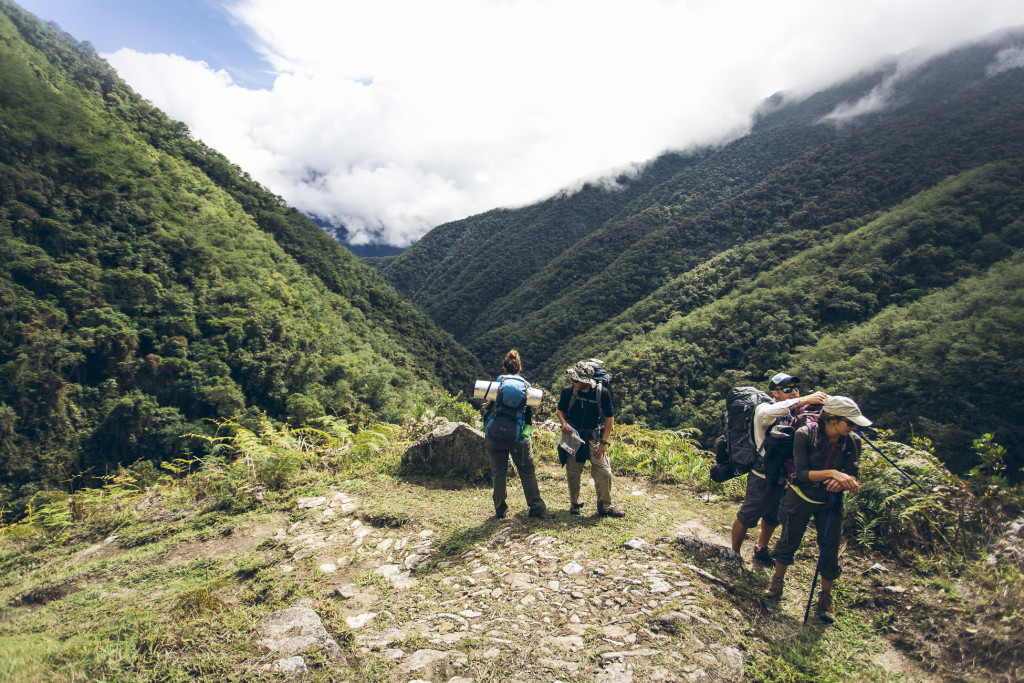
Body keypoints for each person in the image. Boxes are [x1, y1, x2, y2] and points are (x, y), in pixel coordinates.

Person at [764, 395, 871, 624]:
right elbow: (802, 473)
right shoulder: (805, 434)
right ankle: (777, 581)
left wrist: (844, 481)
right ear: (832, 418)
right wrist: (833, 474)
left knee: (830, 545)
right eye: (850, 423)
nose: (853, 428)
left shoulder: (852, 441)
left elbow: (853, 474)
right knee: (788, 539)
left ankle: (825, 596)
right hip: (800, 495)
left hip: (831, 500)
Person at [731, 373, 827, 563]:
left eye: (796, 388)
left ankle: (761, 548)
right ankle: (733, 554)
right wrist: (804, 399)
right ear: (775, 393)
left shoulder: (796, 412)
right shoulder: (765, 409)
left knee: (773, 516)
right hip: (763, 473)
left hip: (786, 474)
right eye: (787, 389)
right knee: (748, 515)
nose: (793, 392)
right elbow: (769, 413)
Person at [483, 350, 554, 520]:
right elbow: (534, 409)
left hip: (494, 435)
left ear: (504, 368)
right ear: (520, 368)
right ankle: (536, 508)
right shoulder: (527, 386)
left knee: (498, 473)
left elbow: (487, 404)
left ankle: (500, 509)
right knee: (527, 472)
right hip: (518, 437)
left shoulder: (497, 384)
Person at [556, 361, 624, 517]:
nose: (572, 382)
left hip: (594, 437)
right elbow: (560, 410)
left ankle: (605, 506)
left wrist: (604, 443)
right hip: (573, 437)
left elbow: (609, 418)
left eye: (576, 380)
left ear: (585, 381)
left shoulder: (602, 393)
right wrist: (564, 423)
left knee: (604, 472)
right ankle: (574, 504)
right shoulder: (568, 392)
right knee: (573, 471)